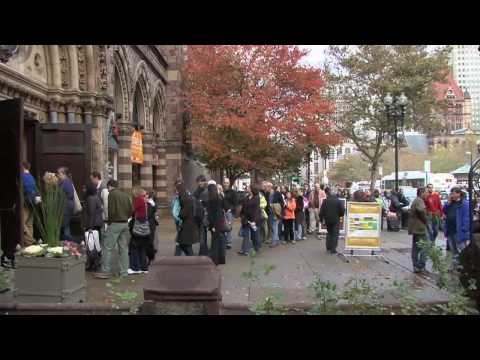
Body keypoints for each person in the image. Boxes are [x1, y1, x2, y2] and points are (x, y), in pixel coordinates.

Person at [94, 180, 133, 279]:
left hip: (115, 223)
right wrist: (126, 217)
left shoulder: (112, 194)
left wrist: (110, 221)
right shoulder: (125, 195)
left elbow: (111, 210)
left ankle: (105, 271)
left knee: (107, 247)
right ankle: (124, 272)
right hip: (125, 223)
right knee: (123, 248)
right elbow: (131, 210)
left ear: (110, 186)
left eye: (108, 188)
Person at [443, 187, 470, 268]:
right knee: (453, 249)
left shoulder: (464, 203)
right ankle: (456, 265)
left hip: (459, 230)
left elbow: (467, 217)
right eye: (451, 193)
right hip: (450, 229)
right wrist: (448, 202)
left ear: (458, 194)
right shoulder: (450, 203)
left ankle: (465, 265)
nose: (452, 195)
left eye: (453, 193)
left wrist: (464, 228)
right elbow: (444, 211)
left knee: (462, 249)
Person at [174, 181, 199, 256]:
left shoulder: (185, 198)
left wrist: (178, 214)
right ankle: (187, 259)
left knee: (185, 245)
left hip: (187, 225)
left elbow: (184, 213)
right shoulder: (185, 196)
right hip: (188, 225)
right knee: (184, 245)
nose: (176, 191)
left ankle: (191, 261)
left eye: (176, 189)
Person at [408, 187, 429, 273]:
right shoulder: (419, 201)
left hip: (415, 228)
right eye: (426, 192)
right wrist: (426, 220)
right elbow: (421, 211)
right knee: (424, 246)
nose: (428, 194)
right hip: (419, 228)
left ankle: (416, 265)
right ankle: (421, 265)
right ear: (422, 193)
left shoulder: (416, 200)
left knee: (416, 247)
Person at [319, 187, 345, 254]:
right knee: (335, 234)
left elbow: (321, 212)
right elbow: (342, 210)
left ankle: (328, 246)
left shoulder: (325, 201)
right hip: (336, 219)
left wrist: (321, 220)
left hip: (327, 219)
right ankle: (333, 249)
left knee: (329, 233)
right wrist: (340, 215)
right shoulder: (338, 201)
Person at [85, 181, 104, 271]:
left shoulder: (91, 199)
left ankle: (94, 263)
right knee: (95, 243)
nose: (83, 189)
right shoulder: (96, 197)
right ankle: (96, 262)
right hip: (97, 223)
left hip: (93, 224)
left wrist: (90, 227)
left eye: (85, 188)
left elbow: (91, 213)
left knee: (91, 245)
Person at [239, 185, 262, 255]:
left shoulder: (256, 198)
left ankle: (256, 248)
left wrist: (254, 221)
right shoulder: (246, 197)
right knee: (245, 235)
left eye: (248, 188)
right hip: (246, 219)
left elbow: (256, 210)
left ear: (252, 189)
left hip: (254, 220)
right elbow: (243, 207)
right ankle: (245, 250)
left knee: (255, 235)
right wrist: (241, 215)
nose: (247, 188)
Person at [207, 183, 227, 265]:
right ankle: (221, 259)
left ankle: (215, 260)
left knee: (215, 243)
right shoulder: (219, 198)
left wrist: (213, 225)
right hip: (219, 223)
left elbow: (215, 214)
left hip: (215, 224)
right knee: (220, 241)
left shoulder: (212, 200)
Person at [21, 161, 38, 247]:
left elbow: (22, 190)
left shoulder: (22, 176)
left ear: (22, 167)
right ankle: (29, 243)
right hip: (33, 202)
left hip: (25, 203)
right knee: (29, 223)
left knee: (21, 222)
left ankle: (31, 241)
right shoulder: (31, 177)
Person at [57, 167, 75, 242]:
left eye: (59, 173)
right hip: (66, 206)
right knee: (66, 226)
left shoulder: (66, 182)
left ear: (63, 174)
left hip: (66, 207)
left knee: (65, 225)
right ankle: (68, 243)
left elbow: (70, 195)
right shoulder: (65, 182)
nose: (58, 175)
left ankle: (69, 242)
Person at [193, 175, 209, 256]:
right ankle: (204, 250)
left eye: (201, 181)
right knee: (202, 233)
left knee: (202, 233)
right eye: (198, 182)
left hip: (203, 215)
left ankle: (203, 251)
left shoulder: (205, 191)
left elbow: (205, 203)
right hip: (199, 215)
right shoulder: (198, 191)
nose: (199, 183)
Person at [146, 191, 158, 265]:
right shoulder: (153, 203)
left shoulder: (150, 203)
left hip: (149, 223)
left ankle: (150, 257)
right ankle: (151, 256)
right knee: (151, 240)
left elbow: (148, 214)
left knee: (149, 241)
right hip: (152, 223)